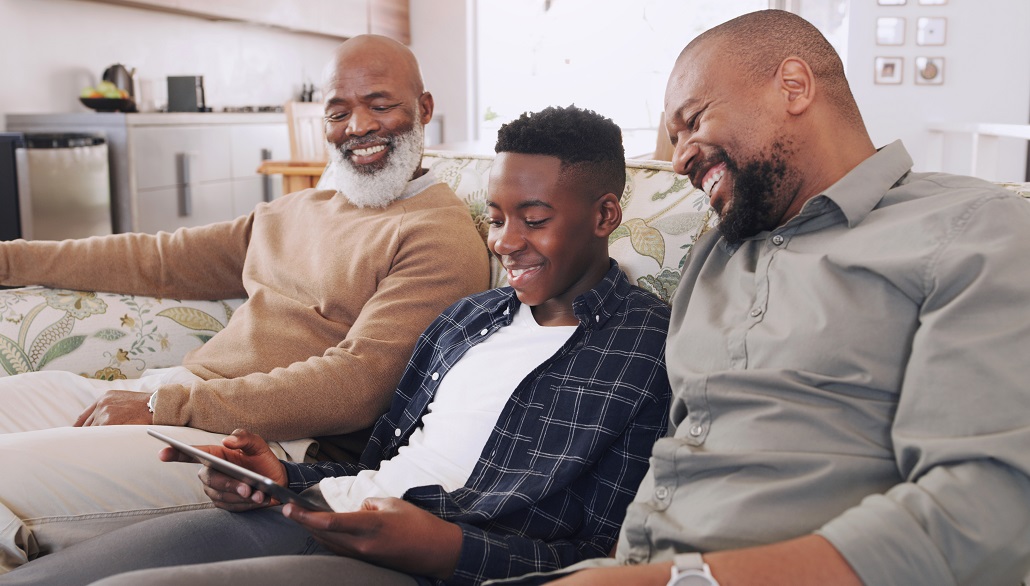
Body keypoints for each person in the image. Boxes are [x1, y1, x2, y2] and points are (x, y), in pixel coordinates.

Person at [0, 105, 674, 586]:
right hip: (330, 512)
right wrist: (278, 476)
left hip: (418, 565)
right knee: (51, 575)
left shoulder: (649, 352)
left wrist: (447, 550)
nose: (505, 242)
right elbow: (378, 465)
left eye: (535, 219)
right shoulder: (467, 321)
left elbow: (607, 554)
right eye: (496, 219)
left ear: (605, 215)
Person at [535, 9, 1030, 586]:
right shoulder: (716, 255)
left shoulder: (974, 228)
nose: (678, 159)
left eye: (693, 121)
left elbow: (985, 513)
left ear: (794, 86)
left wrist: (680, 581)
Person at [0, 34, 490, 573]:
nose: (359, 127)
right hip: (172, 396)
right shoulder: (300, 207)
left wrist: (169, 405)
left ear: (423, 109)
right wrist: (9, 260)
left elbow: (358, 385)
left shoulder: (436, 236)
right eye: (338, 111)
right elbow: (159, 258)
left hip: (255, 445)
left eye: (380, 105)